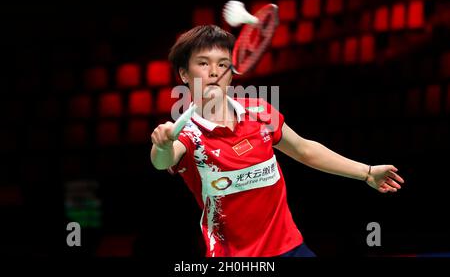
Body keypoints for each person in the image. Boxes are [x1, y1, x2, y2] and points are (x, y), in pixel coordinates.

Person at [150, 25, 404, 257]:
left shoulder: (259, 112)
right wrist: (161, 146)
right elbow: (163, 161)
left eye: (223, 64)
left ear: (232, 73)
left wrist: (367, 173)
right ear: (184, 74)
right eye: (203, 64)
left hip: (291, 247)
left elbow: (304, 150)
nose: (214, 72)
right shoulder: (188, 133)